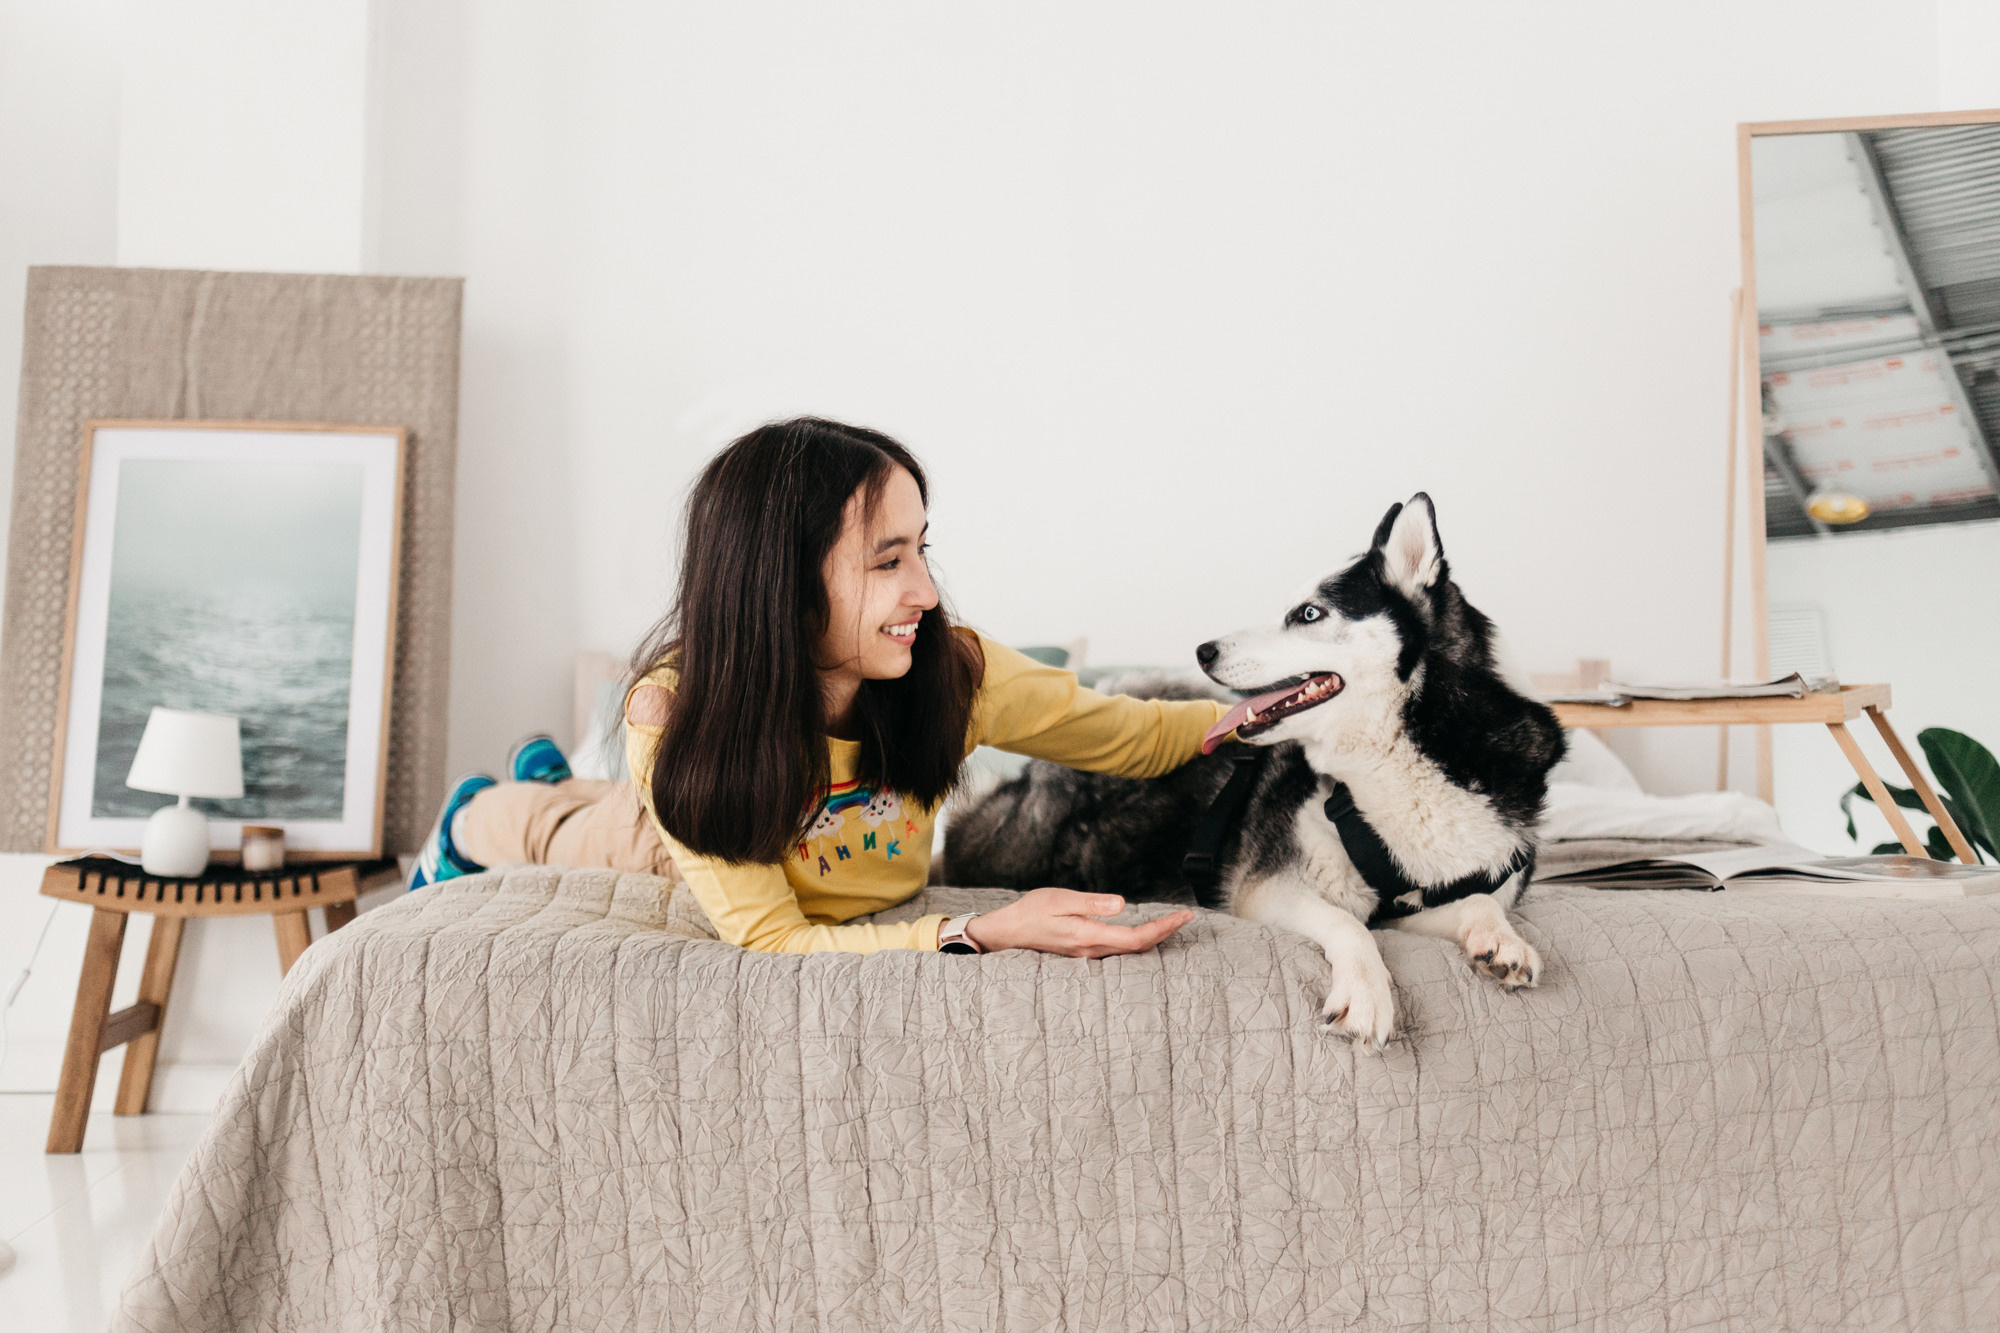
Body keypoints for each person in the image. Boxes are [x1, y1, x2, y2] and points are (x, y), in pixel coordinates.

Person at [412, 417, 1227, 957]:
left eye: (920, 550)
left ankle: (559, 775)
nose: (927, 592)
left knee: (583, 796)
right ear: (787, 589)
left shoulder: (953, 670)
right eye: (886, 561)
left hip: (704, 803)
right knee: (557, 828)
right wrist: (978, 929)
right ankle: (494, 800)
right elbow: (772, 938)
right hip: (661, 845)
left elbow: (1134, 733)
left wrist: (1278, 709)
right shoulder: (671, 714)